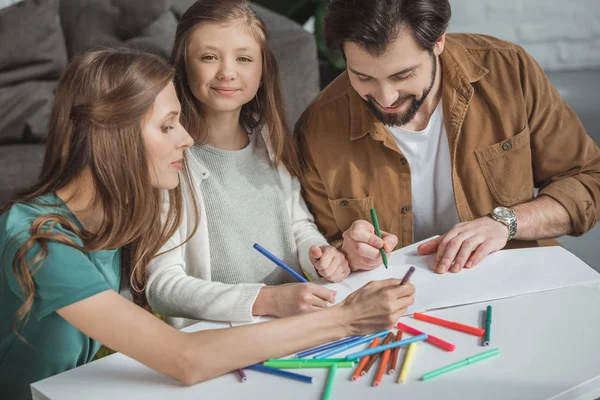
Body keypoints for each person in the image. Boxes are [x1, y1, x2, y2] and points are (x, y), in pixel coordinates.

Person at [0, 47, 415, 400]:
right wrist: (345, 319)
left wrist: (340, 253)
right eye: (166, 126)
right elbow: (186, 359)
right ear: (111, 135)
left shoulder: (120, 210)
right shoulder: (40, 240)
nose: (186, 138)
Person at [295, 0, 600, 275]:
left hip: (513, 280)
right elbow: (323, 246)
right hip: (398, 305)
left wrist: (506, 223)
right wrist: (347, 253)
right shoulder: (318, 128)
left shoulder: (509, 71)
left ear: (438, 42)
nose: (385, 97)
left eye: (402, 76)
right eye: (363, 77)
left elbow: (589, 179)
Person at [146, 0, 350, 329]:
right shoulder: (170, 160)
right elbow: (162, 287)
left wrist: (319, 255)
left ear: (262, 71)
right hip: (222, 337)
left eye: (243, 58)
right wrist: (266, 300)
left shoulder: (270, 139)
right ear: (183, 67)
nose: (227, 71)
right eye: (209, 57)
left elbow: (297, 226)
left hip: (294, 320)